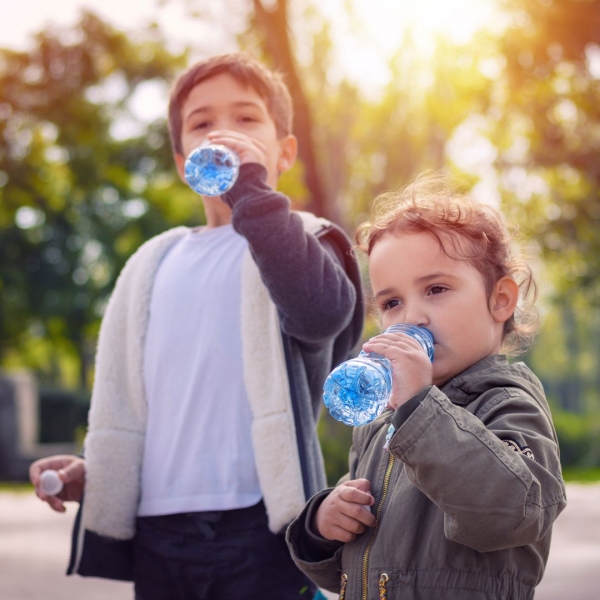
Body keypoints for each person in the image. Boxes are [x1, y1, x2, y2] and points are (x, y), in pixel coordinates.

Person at [29, 52, 364, 599]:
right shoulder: (151, 265)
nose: (225, 133)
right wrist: (98, 468)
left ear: (283, 152)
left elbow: (323, 312)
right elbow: (153, 401)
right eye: (203, 122)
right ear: (184, 160)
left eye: (246, 118)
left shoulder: (302, 240)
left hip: (261, 527)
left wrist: (254, 193)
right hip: (160, 533)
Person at [286, 175, 567, 600]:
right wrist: (324, 526)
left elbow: (514, 512)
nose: (410, 318)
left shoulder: (506, 401)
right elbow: (358, 567)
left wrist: (420, 408)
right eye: (392, 303)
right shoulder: (383, 419)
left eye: (436, 289)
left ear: (501, 300)